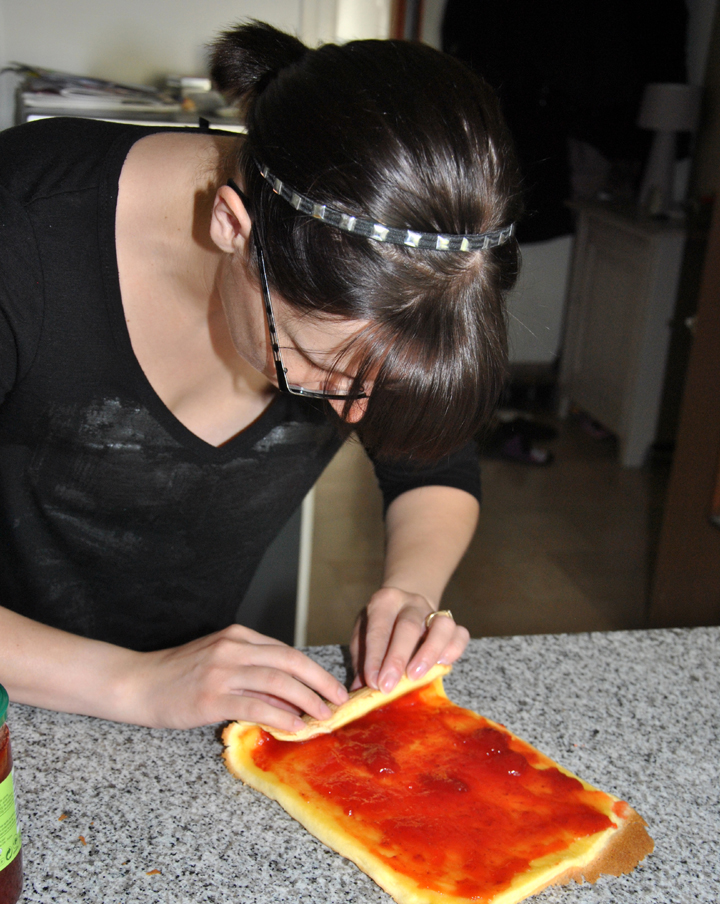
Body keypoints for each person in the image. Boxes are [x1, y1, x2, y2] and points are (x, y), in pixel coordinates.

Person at [0, 21, 520, 733]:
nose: (359, 415)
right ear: (231, 226)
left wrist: (409, 591)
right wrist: (135, 685)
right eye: (327, 369)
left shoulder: (374, 278)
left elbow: (433, 464)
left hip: (180, 708)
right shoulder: (20, 231)